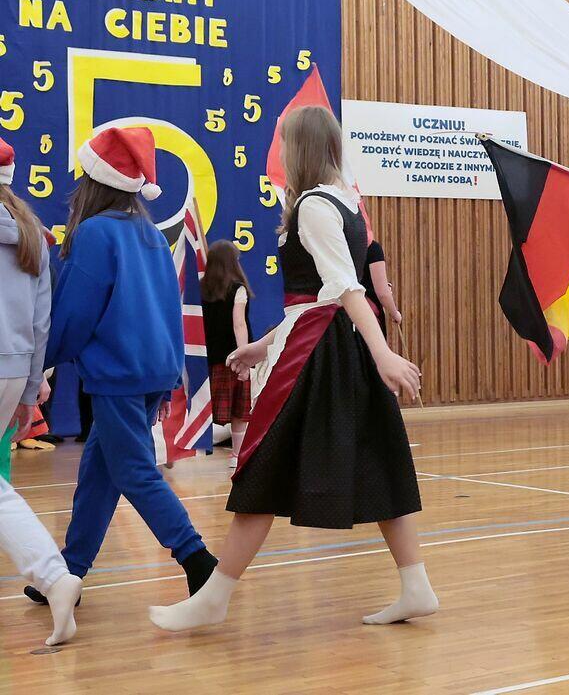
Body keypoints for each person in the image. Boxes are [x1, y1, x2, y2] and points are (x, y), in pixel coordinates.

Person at [149, 105, 434, 632]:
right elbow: (318, 299)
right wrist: (261, 346)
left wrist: (382, 353)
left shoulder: (314, 207)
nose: (278, 151)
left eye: (283, 142)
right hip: (332, 345)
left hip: (318, 356)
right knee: (379, 461)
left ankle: (214, 597)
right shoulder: (343, 203)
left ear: (298, 148)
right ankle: (416, 585)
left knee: (261, 464)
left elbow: (345, 289)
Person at [20, 127, 217, 609]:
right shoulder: (151, 235)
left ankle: (198, 560)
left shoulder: (94, 234)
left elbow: (74, 315)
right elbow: (170, 309)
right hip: (152, 371)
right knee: (99, 474)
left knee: (133, 472)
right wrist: (169, 379)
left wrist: (39, 364)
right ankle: (70, 572)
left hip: (119, 374)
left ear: (94, 181)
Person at [0, 135, 81, 645]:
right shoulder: (32, 233)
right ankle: (54, 578)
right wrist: (30, 391)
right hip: (11, 369)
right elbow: (40, 322)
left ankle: (53, 576)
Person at [202, 240, 254, 471]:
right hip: (233, 358)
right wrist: (244, 357)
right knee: (239, 411)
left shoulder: (200, 288)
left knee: (208, 407)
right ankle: (236, 455)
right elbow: (239, 324)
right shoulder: (237, 289)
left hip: (209, 358)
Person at [363, 238, 403, 337]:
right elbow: (383, 293)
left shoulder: (338, 248)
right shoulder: (372, 248)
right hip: (368, 316)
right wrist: (395, 314)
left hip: (340, 317)